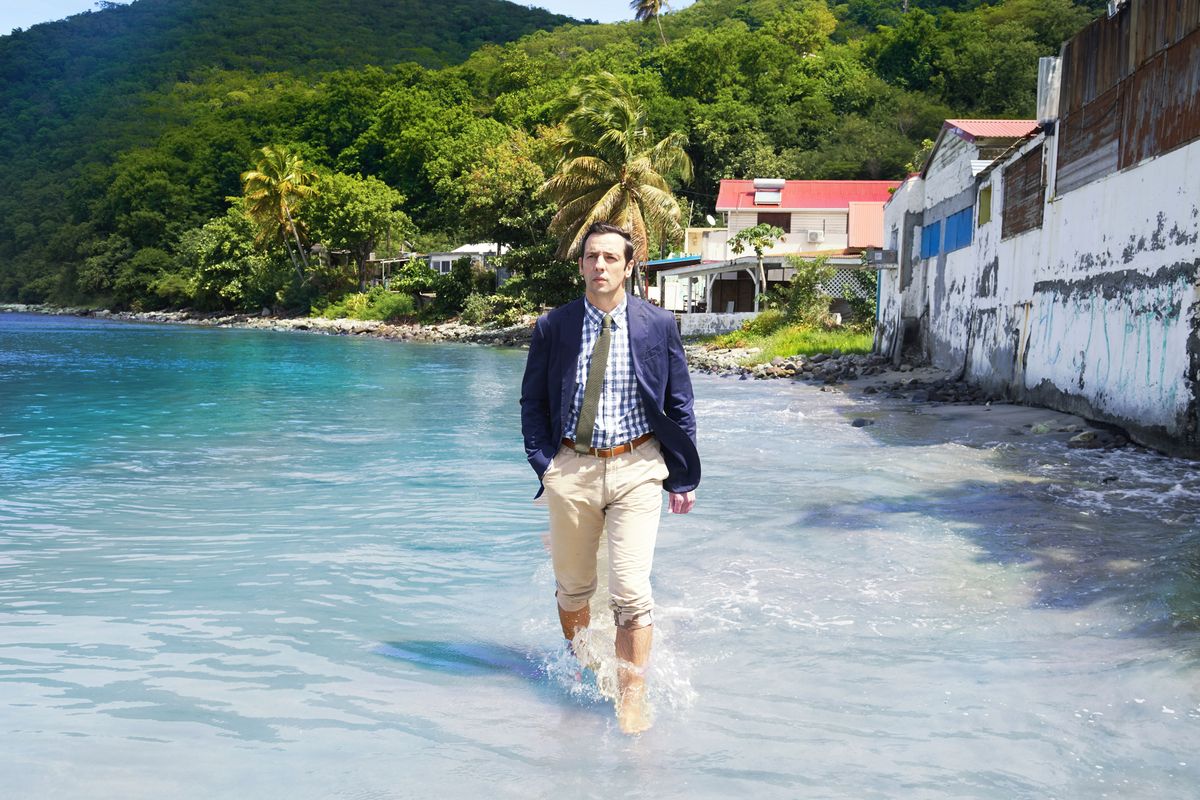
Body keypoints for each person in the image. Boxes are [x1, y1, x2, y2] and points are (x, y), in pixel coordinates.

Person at [520, 221, 700, 734]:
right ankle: (585, 666)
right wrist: (545, 465)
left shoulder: (658, 324)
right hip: (571, 468)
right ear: (580, 265)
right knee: (574, 590)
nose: (600, 266)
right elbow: (532, 402)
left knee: (630, 591)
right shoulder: (553, 326)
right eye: (592, 257)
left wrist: (683, 476)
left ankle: (632, 697)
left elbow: (679, 402)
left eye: (610, 258)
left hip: (638, 466)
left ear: (628, 266)